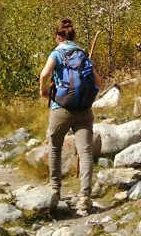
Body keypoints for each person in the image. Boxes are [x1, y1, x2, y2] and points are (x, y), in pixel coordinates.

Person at [39, 19, 101, 217]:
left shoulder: (57, 53)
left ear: (58, 37)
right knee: (85, 153)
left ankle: (55, 190)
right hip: (84, 110)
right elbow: (98, 82)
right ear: (73, 37)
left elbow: (44, 74)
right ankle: (84, 199)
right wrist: (85, 98)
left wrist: (44, 90)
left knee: (55, 148)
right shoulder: (82, 54)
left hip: (61, 109)